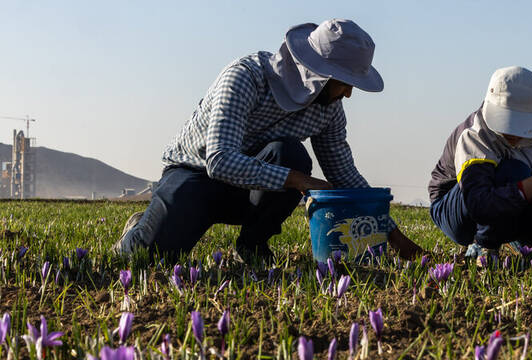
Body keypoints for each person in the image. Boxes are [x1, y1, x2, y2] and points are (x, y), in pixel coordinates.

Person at [113, 19, 421, 262]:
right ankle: (138, 230)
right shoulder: (246, 77)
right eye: (345, 83)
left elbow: (344, 176)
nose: (349, 94)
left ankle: (251, 245)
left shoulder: (329, 109)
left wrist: (393, 236)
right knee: (145, 257)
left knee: (290, 153)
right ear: (318, 75)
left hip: (253, 190)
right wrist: (299, 180)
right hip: (196, 176)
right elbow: (219, 160)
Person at [428, 66, 532, 258]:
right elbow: (478, 203)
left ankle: (517, 239)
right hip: (458, 209)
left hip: (513, 196)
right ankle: (484, 246)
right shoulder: (475, 133)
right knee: (512, 171)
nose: (513, 135)